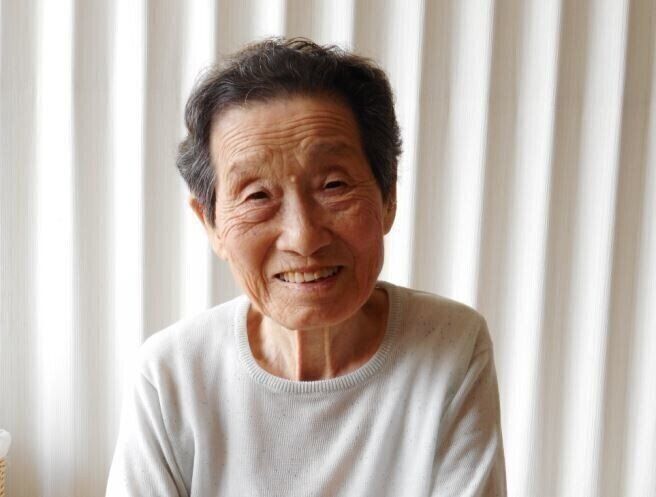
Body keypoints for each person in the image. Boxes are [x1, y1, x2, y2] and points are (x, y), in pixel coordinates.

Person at [106, 37, 506, 497]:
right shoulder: (172, 375)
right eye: (257, 195)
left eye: (333, 185)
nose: (303, 238)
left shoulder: (451, 345)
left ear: (388, 196)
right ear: (211, 223)